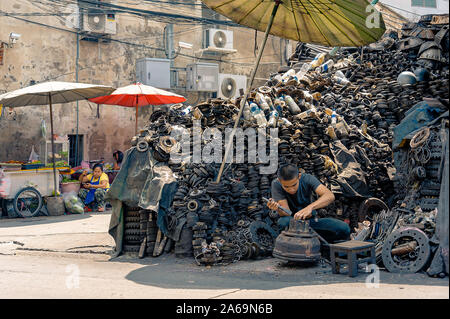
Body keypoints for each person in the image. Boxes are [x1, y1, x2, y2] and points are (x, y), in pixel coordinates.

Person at [267, 164, 350, 244]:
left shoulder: (307, 178)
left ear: (299, 176)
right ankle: (301, 245)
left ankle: (316, 243)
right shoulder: (276, 184)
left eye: (294, 185)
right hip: (292, 222)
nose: (291, 189)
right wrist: (277, 208)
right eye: (286, 187)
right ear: (279, 180)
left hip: (310, 222)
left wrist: (310, 208)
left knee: (344, 228)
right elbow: (286, 212)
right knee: (283, 222)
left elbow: (329, 195)